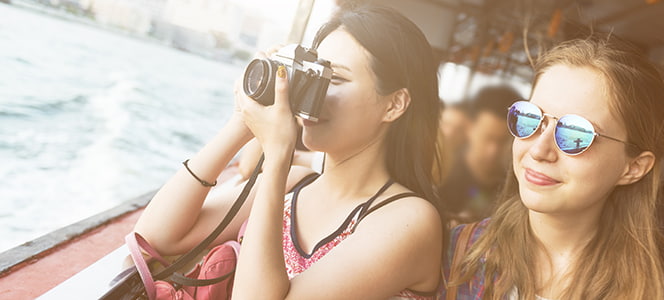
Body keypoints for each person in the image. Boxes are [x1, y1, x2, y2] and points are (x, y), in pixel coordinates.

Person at [134, 5, 443, 299]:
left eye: (334, 79)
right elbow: (157, 235)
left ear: (394, 104)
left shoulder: (410, 220)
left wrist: (278, 154)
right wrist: (242, 120)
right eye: (312, 76)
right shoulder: (296, 183)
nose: (312, 94)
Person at [441, 36, 664, 299]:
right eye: (530, 119)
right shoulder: (456, 252)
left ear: (634, 168)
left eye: (574, 134)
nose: (538, 150)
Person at [439, 85, 521, 225]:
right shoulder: (440, 177)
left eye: (502, 141)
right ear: (469, 128)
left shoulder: (515, 190)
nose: (493, 150)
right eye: (487, 138)